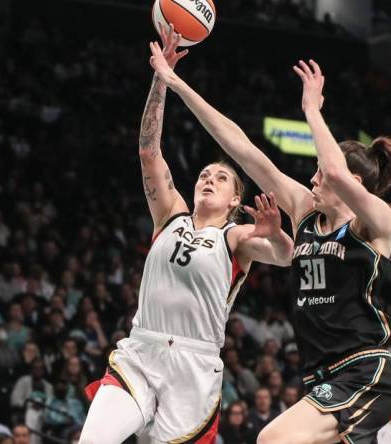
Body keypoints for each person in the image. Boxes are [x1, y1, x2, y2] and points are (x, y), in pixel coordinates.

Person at [149, 41, 391, 444]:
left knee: (271, 439)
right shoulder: (305, 213)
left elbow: (335, 173)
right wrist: (176, 83)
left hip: (363, 372)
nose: (313, 180)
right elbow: (244, 149)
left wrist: (312, 111)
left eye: (318, 172)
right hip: (321, 376)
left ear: (356, 185)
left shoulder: (376, 224)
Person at [79, 25, 294, 444]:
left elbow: (286, 256)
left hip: (194, 368)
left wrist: (277, 232)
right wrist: (161, 79)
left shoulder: (237, 237)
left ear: (236, 199)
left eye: (221, 178)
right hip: (141, 351)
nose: (209, 180)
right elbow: (148, 150)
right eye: (204, 175)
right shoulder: (170, 215)